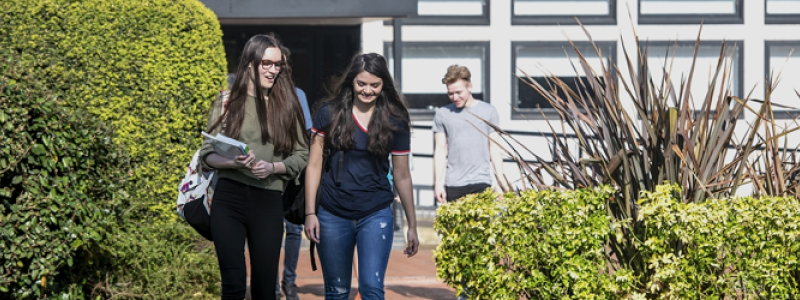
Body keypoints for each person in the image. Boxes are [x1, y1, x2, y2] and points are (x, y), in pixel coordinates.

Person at [199, 33, 309, 300]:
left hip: (268, 200)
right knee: (233, 286)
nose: (273, 70)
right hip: (228, 198)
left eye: (278, 64)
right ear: (250, 63)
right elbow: (206, 154)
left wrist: (273, 168)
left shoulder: (288, 104)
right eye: (266, 63)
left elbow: (302, 154)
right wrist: (231, 162)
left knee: (264, 289)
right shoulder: (226, 102)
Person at [303, 53, 420, 300]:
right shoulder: (329, 113)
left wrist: (412, 225)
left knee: (372, 289)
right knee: (336, 292)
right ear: (352, 81)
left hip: (375, 212)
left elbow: (402, 175)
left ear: (384, 84)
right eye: (361, 83)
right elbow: (313, 166)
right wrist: (310, 213)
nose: (367, 90)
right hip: (332, 212)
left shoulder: (396, 119)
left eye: (374, 85)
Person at [433, 65, 504, 300]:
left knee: (482, 242)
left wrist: (500, 182)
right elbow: (440, 149)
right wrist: (438, 183)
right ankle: (465, 293)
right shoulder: (443, 114)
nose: (455, 97)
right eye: (450, 93)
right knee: (459, 244)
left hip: (481, 183)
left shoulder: (488, 111)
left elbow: (495, 148)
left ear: (470, 86)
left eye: (458, 92)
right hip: (454, 184)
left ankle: (482, 291)